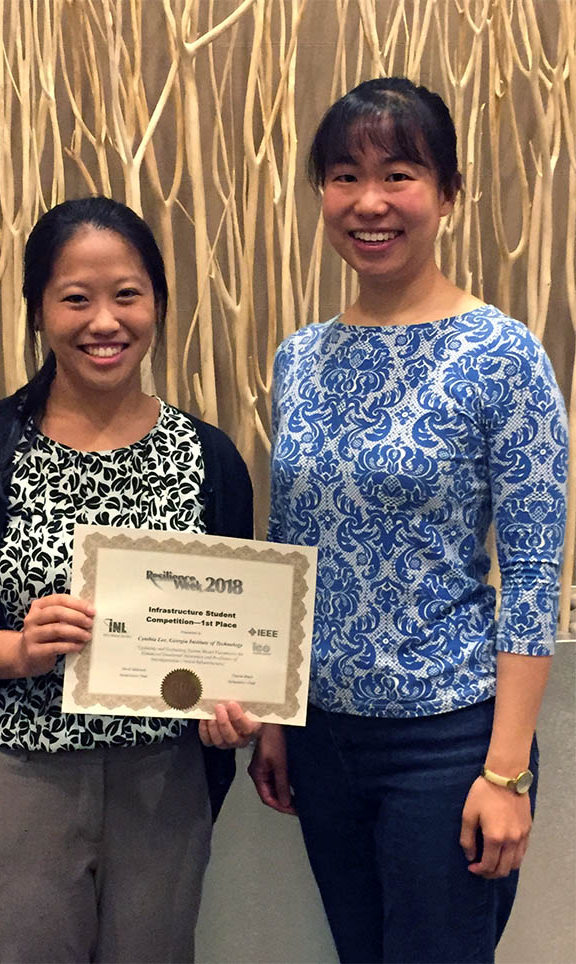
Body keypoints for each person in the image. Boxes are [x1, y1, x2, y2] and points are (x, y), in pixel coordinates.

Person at [0, 196, 260, 964]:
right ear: (38, 312)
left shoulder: (211, 459)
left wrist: (234, 703)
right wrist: (11, 650)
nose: (105, 322)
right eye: (75, 298)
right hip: (17, 772)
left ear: (157, 303)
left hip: (164, 781)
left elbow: (236, 628)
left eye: (127, 295)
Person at [249, 77, 568, 964]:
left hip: (448, 738)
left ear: (447, 193)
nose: (371, 201)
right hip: (322, 737)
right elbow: (292, 548)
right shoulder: (299, 359)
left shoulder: (502, 354)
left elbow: (536, 573)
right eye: (345, 175)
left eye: (400, 173)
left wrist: (505, 773)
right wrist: (277, 713)